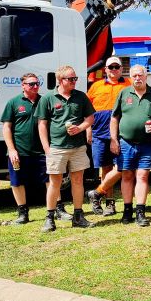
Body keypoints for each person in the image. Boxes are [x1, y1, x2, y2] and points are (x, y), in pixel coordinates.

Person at [37, 65, 96, 232]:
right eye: (71, 79)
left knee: (78, 181)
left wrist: (81, 128)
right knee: (54, 183)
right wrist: (46, 148)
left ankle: (78, 216)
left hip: (78, 147)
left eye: (75, 78)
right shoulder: (48, 98)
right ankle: (50, 218)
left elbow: (90, 117)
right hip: (57, 147)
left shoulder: (80, 96)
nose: (74, 82)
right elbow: (42, 124)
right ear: (60, 80)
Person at [110, 64, 151, 227]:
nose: (137, 78)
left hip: (147, 143)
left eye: (140, 75)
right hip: (125, 142)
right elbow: (115, 118)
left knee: (142, 176)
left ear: (146, 76)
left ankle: (140, 211)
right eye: (134, 76)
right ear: (130, 77)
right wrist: (114, 140)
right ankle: (127, 211)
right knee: (127, 175)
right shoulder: (123, 93)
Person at [0, 72, 47, 225]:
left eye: (37, 83)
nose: (35, 86)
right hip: (20, 151)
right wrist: (12, 149)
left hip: (42, 150)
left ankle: (57, 209)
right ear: (23, 85)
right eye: (31, 84)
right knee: (17, 181)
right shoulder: (14, 102)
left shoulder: (44, 101)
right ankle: (22, 213)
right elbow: (6, 127)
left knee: (51, 179)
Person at [86, 56, 130, 217]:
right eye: (110, 67)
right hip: (99, 133)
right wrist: (88, 129)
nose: (113, 70)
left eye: (116, 67)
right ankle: (109, 203)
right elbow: (87, 111)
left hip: (122, 132)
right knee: (105, 168)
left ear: (121, 69)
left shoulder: (128, 85)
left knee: (122, 167)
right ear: (105, 69)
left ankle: (119, 201)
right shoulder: (96, 86)